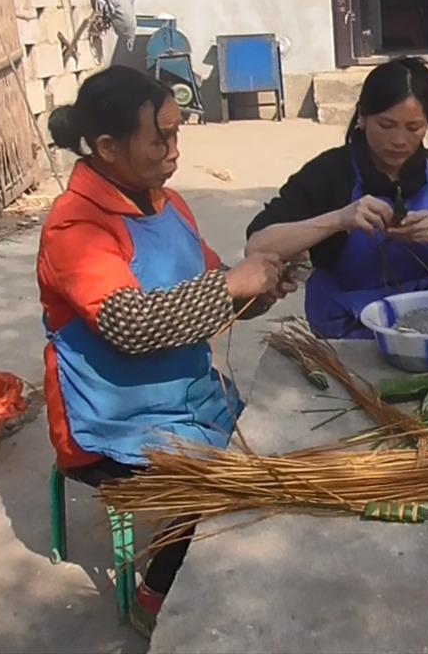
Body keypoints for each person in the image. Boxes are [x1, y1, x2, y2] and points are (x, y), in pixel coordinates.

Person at [38, 66, 294, 636]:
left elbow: (207, 292)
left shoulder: (169, 205)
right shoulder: (73, 226)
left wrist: (259, 290)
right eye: (161, 138)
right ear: (107, 147)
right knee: (237, 478)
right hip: (113, 420)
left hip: (188, 398)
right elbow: (130, 324)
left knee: (280, 442)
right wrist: (231, 285)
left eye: (178, 134)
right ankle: (155, 597)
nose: (175, 150)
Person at [245, 56, 428, 339]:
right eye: (386, 125)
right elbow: (258, 244)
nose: (399, 140)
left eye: (413, 128)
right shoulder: (331, 171)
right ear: (363, 117)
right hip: (348, 318)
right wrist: (339, 219)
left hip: (427, 314)